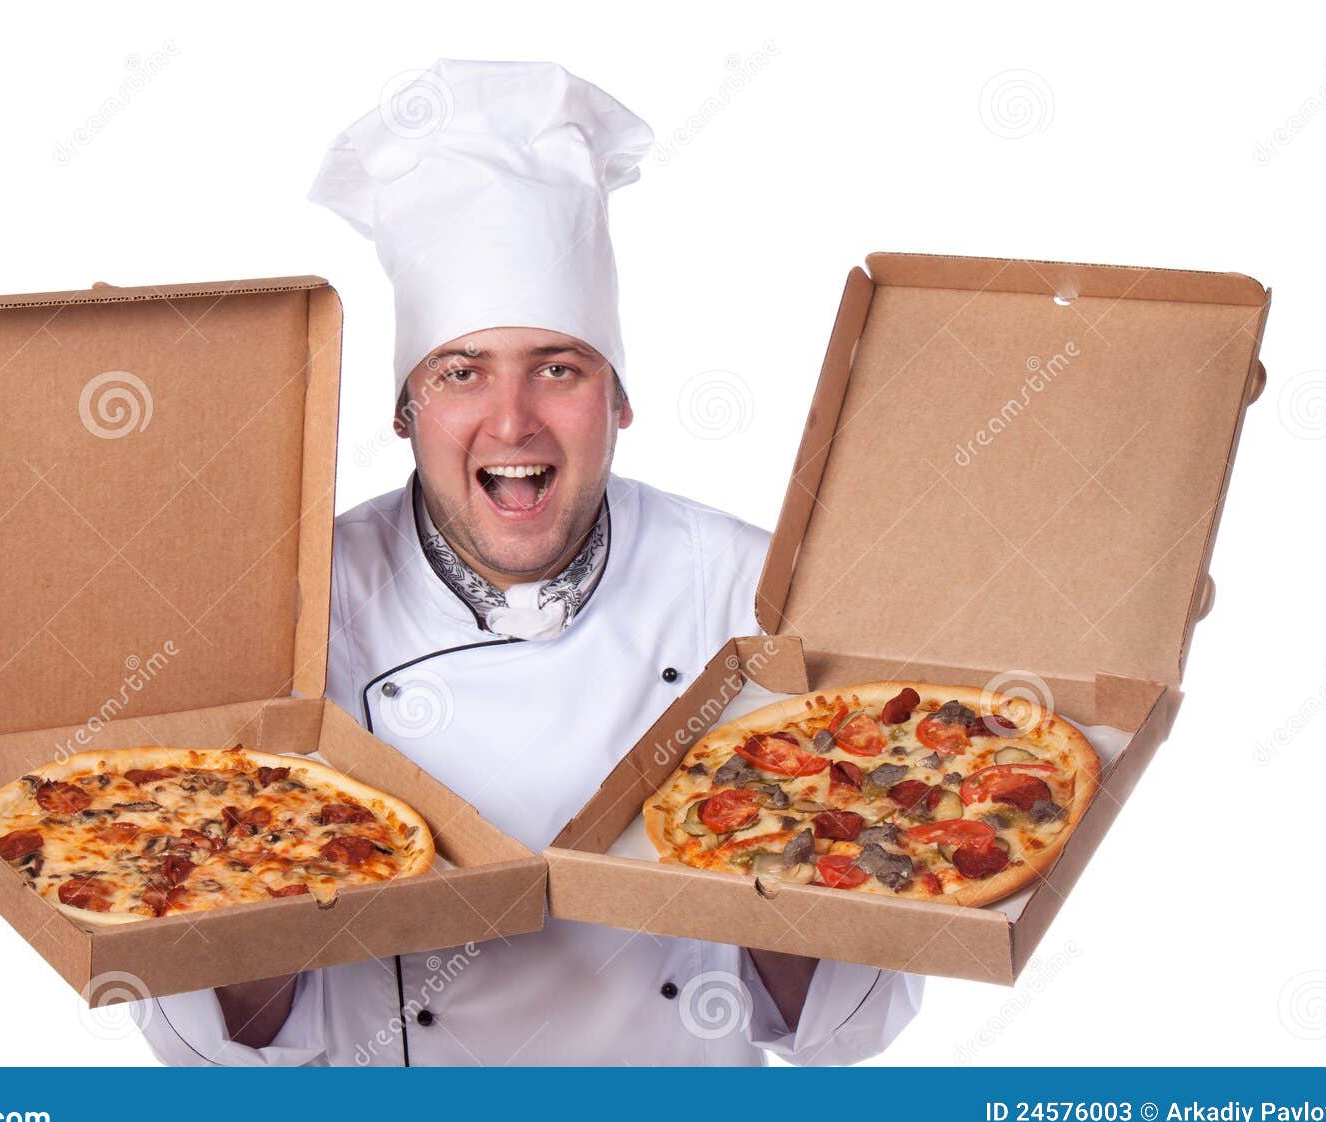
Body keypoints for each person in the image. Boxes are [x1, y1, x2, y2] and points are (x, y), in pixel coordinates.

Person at [132, 58, 921, 1066]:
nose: (513, 419)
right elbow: (210, 1054)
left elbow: (846, 1028)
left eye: (560, 367)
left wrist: (783, 844)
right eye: (460, 373)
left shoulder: (754, 591)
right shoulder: (286, 613)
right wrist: (257, 884)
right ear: (403, 411)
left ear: (619, 398)